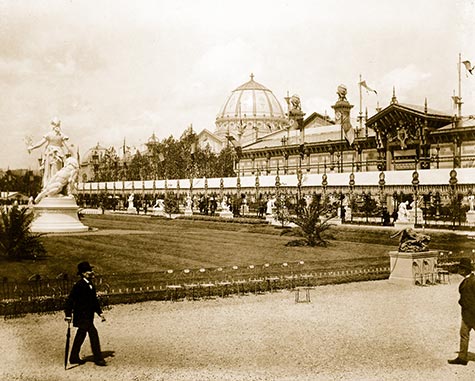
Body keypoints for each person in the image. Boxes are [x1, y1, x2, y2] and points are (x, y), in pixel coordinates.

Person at [64, 261, 107, 366]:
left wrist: (99, 313)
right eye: (89, 270)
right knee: (93, 334)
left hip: (88, 315)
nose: (92, 272)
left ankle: (73, 357)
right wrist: (68, 314)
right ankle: (98, 358)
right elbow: (70, 300)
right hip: (82, 316)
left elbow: (94, 301)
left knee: (81, 335)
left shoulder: (90, 284)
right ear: (83, 273)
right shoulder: (79, 285)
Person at [28, 117, 73, 189]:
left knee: (54, 170)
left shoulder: (58, 135)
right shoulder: (56, 135)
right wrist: (72, 154)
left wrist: (32, 147)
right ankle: (52, 186)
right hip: (54, 154)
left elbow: (41, 143)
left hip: (55, 154)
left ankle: (54, 186)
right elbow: (68, 146)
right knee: (53, 170)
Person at [448, 258, 475, 366]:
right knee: (464, 334)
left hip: (472, 313)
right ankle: (462, 357)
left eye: (460, 268)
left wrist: (462, 303)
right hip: (467, 313)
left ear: (464, 270)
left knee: (464, 334)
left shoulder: (472, 281)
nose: (459, 270)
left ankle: (462, 357)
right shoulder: (469, 280)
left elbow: (469, 299)